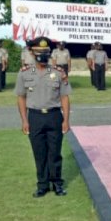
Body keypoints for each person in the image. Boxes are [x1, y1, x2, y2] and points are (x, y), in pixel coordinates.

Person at [14, 36, 71, 197]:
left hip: (54, 116)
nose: (42, 55)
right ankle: (42, 185)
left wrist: (66, 120)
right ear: (31, 52)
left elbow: (65, 97)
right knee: (39, 153)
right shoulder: (24, 73)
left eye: (45, 52)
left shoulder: (58, 72)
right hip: (35, 117)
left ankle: (57, 184)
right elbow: (21, 97)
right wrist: (24, 120)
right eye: (39, 51)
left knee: (55, 152)